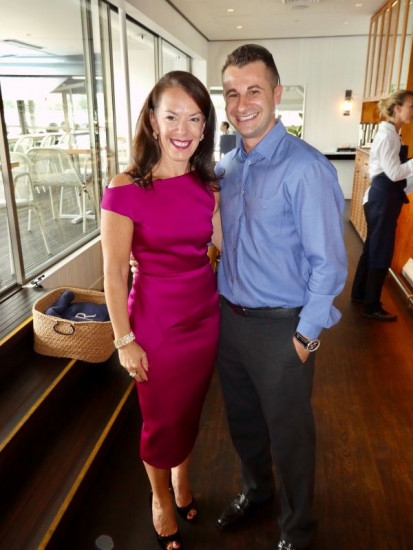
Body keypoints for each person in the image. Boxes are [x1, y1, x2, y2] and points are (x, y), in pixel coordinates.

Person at [215, 44, 347, 550]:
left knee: (289, 434)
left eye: (253, 90)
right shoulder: (227, 168)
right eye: (232, 93)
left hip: (282, 329)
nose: (242, 103)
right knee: (244, 423)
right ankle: (257, 492)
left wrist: (306, 337)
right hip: (231, 320)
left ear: (276, 93)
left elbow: (329, 263)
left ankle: (298, 528)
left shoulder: (306, 168)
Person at [100, 70, 221, 550]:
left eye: (194, 118)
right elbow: (114, 275)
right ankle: (160, 497)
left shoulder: (208, 185)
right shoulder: (125, 188)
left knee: (189, 409)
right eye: (172, 116)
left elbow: (222, 243)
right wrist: (124, 341)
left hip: (204, 316)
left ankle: (180, 478)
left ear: (205, 127)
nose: (183, 129)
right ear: (152, 121)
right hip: (155, 322)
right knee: (160, 418)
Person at [351, 90, 413, 321]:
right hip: (382, 201)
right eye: (411, 106)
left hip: (382, 199)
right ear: (397, 108)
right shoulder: (388, 136)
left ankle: (359, 294)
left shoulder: (393, 135)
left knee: (372, 249)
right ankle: (371, 306)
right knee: (381, 251)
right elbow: (395, 173)